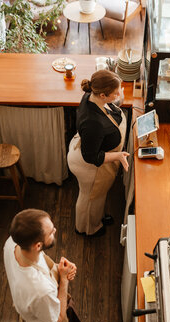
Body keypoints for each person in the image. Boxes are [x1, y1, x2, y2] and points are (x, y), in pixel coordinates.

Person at [67, 70, 130, 237]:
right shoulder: (92, 123)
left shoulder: (93, 96)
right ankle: (86, 228)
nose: (119, 94)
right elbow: (91, 157)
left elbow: (112, 111)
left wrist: (117, 96)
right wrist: (118, 156)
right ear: (103, 95)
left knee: (98, 197)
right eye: (116, 92)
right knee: (90, 198)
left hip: (94, 153)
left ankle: (98, 218)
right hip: (89, 165)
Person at [4, 209, 82, 322]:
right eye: (51, 232)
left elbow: (40, 265)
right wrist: (64, 279)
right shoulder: (41, 290)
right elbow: (57, 321)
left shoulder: (12, 243)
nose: (55, 230)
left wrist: (60, 268)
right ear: (38, 246)